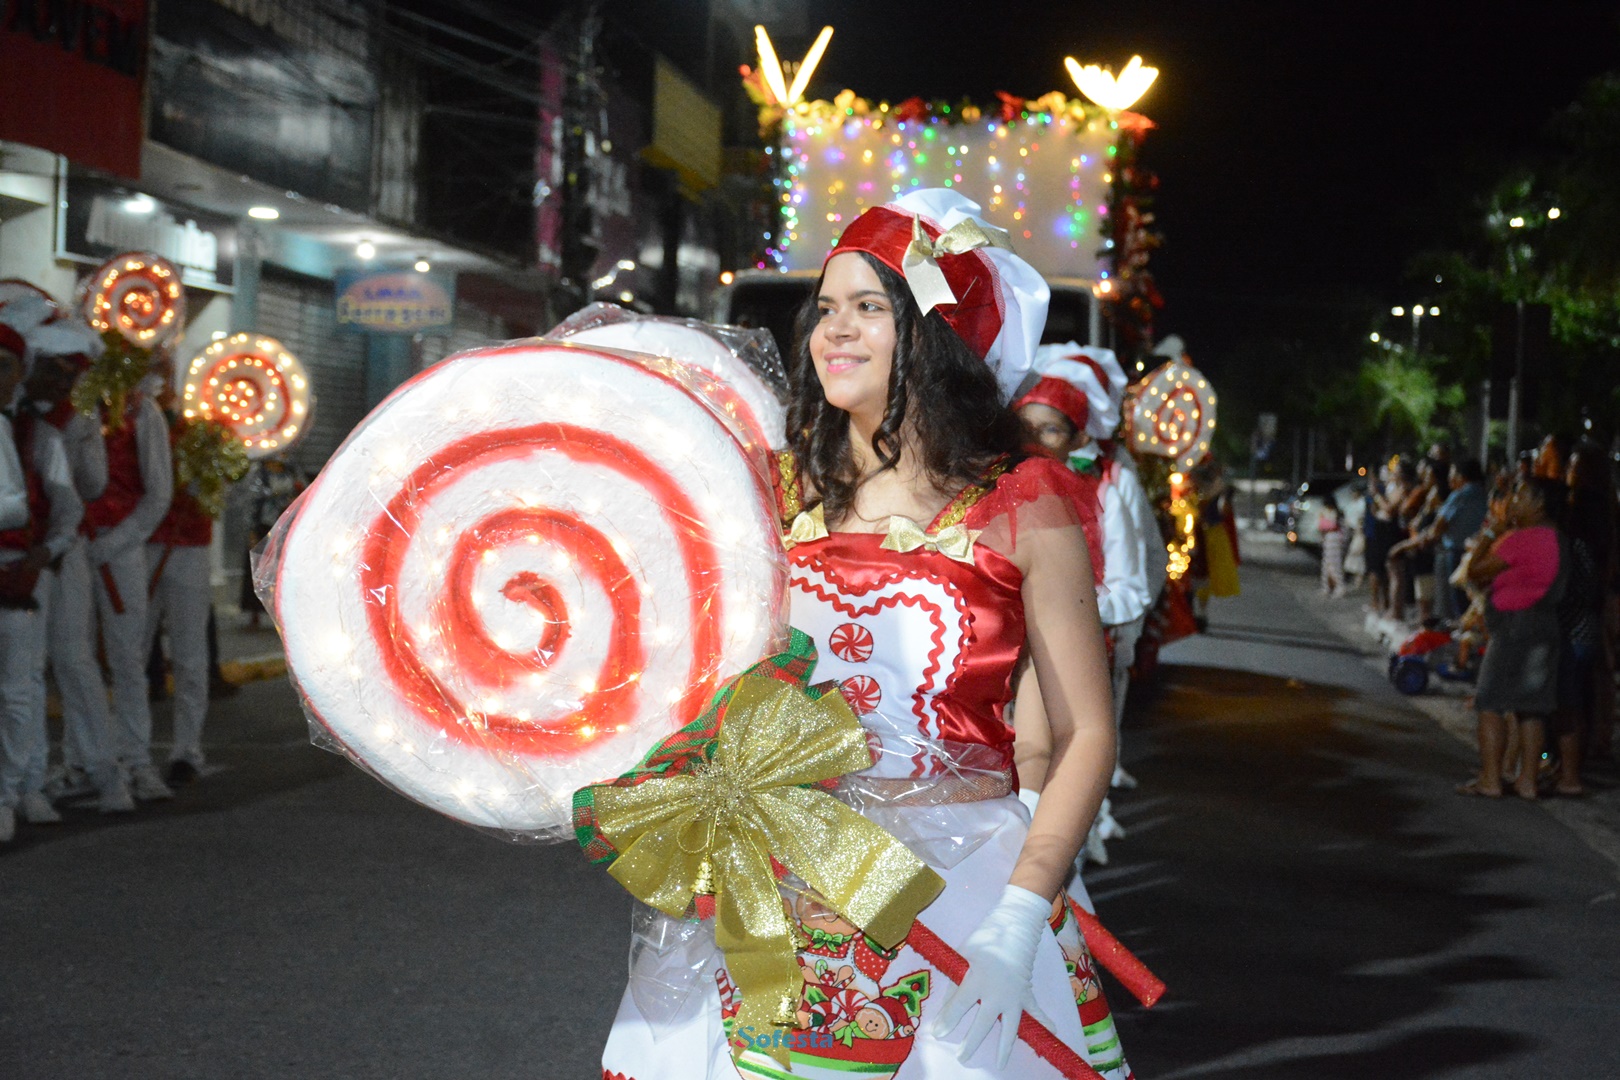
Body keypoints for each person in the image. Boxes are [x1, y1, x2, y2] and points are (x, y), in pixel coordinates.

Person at [600, 190, 1132, 1078]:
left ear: (935, 336)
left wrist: (1017, 916)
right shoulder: (770, 491)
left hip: (962, 887)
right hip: (779, 883)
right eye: (826, 309)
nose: (834, 331)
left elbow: (1085, 732)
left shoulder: (1021, 503)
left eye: (870, 307)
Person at [13, 308, 136, 814]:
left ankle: (104, 775)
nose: (65, 381)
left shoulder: (73, 420)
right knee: (26, 670)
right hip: (20, 552)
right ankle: (28, 783)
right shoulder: (16, 417)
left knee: (71, 659)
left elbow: (91, 487)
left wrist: (77, 436)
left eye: (72, 373)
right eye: (57, 370)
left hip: (64, 552)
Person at [0, 307, 92, 840]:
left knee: (24, 685)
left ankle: (23, 787)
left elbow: (69, 509)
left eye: (5, 365)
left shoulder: (41, 437)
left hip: (22, 575)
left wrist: (44, 553)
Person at [81, 338, 174, 801]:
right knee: (76, 660)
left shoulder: (144, 413)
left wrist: (115, 543)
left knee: (126, 657)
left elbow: (159, 493)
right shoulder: (77, 412)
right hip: (74, 547)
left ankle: (136, 760)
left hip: (122, 547)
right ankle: (84, 760)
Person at [1458, 477, 1568, 800]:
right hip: (1545, 626)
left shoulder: (1524, 539)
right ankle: (1527, 781)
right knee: (1531, 708)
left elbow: (1475, 570)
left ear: (1539, 504)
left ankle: (1491, 779)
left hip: (1515, 628)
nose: (1512, 502)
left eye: (1519, 496)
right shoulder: (1558, 538)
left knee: (1489, 702)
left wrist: (1493, 532)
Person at [144, 351, 221, 786]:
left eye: (161, 370)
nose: (155, 378)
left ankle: (186, 749)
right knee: (131, 651)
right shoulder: (123, 422)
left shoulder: (200, 429)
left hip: (188, 548)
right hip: (138, 548)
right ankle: (127, 750)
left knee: (189, 654)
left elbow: (227, 487)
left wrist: (208, 482)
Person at [1427, 458, 1488, 623]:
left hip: (1457, 554)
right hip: (1480, 553)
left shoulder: (1459, 496)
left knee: (1459, 603)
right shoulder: (1485, 494)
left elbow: (1439, 526)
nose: (1450, 479)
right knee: (1475, 602)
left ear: (1462, 476)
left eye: (1452, 474)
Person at [1320, 498, 1347, 596]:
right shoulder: (1325, 512)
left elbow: (1337, 527)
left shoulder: (1337, 514)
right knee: (1326, 564)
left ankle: (1339, 586)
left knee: (1334, 564)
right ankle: (1328, 586)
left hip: (1334, 539)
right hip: (1328, 538)